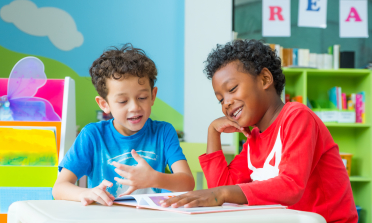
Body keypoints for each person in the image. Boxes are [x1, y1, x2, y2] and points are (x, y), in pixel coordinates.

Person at [160, 39, 357, 223]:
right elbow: (221, 186)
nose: (226, 102)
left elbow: (291, 186)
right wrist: (213, 132)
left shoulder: (297, 116)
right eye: (220, 99)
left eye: (233, 88)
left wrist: (221, 194)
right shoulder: (254, 139)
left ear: (264, 79)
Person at [53, 44, 195, 206]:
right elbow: (59, 188)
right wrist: (86, 192)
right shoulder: (92, 135)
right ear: (104, 104)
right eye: (122, 101)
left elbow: (187, 183)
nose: (134, 107)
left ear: (153, 96)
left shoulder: (163, 132)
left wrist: (154, 178)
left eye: (142, 97)